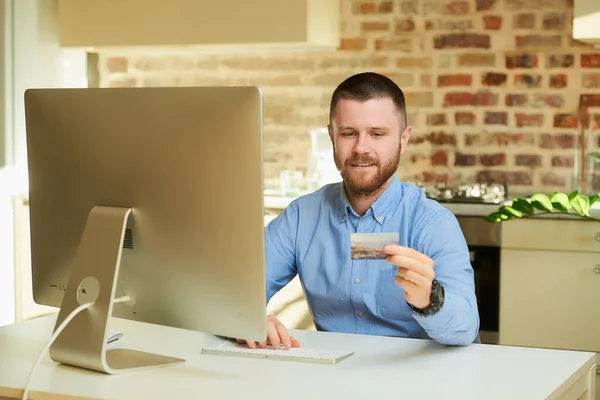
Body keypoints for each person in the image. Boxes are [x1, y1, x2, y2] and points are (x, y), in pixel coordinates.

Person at [238, 72, 479, 350]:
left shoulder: (433, 224)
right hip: (330, 380)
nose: (361, 148)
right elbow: (236, 294)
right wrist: (249, 319)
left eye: (377, 134)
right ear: (332, 136)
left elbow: (465, 328)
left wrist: (430, 298)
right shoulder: (301, 217)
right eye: (349, 133)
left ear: (403, 139)